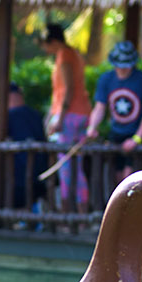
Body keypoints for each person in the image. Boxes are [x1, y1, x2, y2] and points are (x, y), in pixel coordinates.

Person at [87, 41, 142, 182]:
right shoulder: (106, 79)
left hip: (136, 133)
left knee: (130, 177)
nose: (122, 69)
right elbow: (100, 107)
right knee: (116, 177)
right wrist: (92, 127)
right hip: (116, 134)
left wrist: (137, 138)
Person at [41, 24, 92, 212]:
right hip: (82, 113)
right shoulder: (74, 54)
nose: (44, 49)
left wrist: (58, 119)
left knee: (67, 169)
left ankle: (70, 216)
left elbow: (68, 90)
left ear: (53, 41)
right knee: (76, 167)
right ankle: (79, 215)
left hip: (70, 117)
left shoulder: (64, 55)